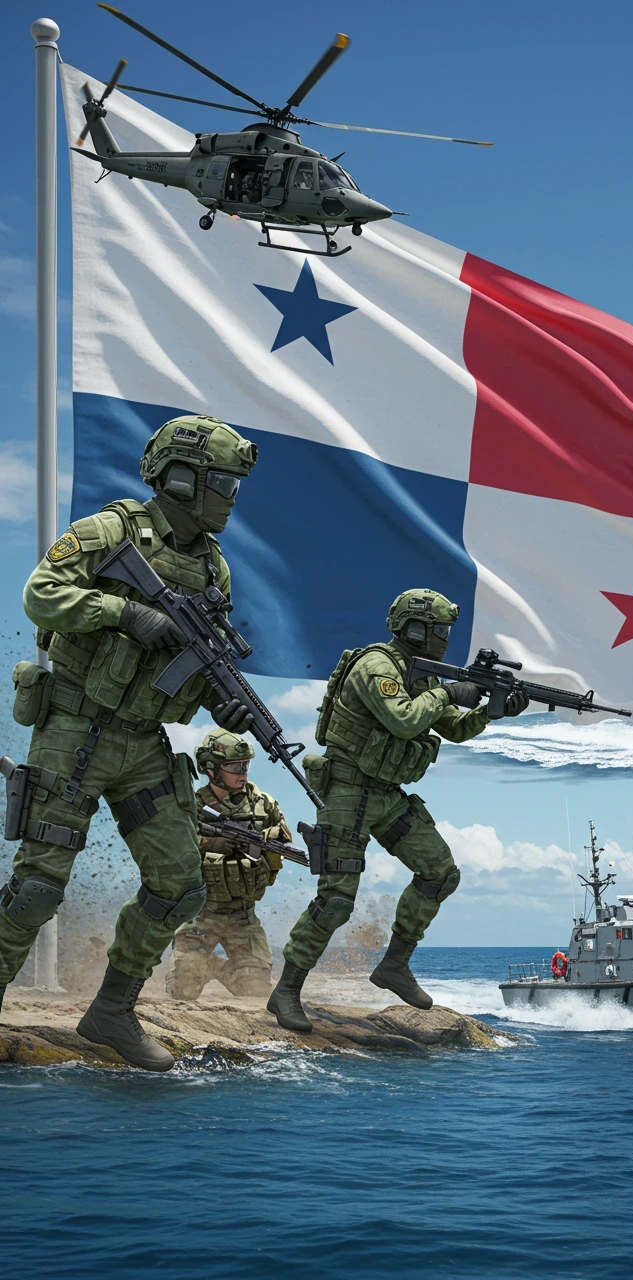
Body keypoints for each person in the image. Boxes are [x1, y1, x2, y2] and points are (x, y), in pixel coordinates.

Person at [0, 415, 257, 1071]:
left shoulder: (213, 570)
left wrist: (220, 699)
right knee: (37, 890)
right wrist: (123, 612)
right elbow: (41, 593)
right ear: (180, 477)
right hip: (74, 729)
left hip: (142, 743)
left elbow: (196, 663)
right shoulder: (110, 532)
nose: (231, 495)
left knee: (180, 888)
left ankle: (110, 1011)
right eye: (222, 480)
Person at [267, 589, 529, 1033]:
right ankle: (287, 992)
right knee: (335, 901)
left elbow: (456, 729)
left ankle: (394, 966)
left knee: (440, 872)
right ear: (413, 628)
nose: (445, 639)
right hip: (348, 794)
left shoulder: (424, 677)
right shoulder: (377, 667)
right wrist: (449, 692)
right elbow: (404, 720)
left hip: (387, 795)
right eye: (439, 630)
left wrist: (494, 710)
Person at [166, 730, 292, 1000]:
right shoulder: (193, 804)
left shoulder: (263, 804)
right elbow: (172, 842)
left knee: (255, 992)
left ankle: (217, 968)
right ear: (211, 769)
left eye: (245, 765)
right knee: (182, 989)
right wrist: (210, 844)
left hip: (242, 915)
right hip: (200, 911)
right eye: (234, 766)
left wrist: (261, 845)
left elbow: (282, 840)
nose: (242, 772)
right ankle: (202, 965)